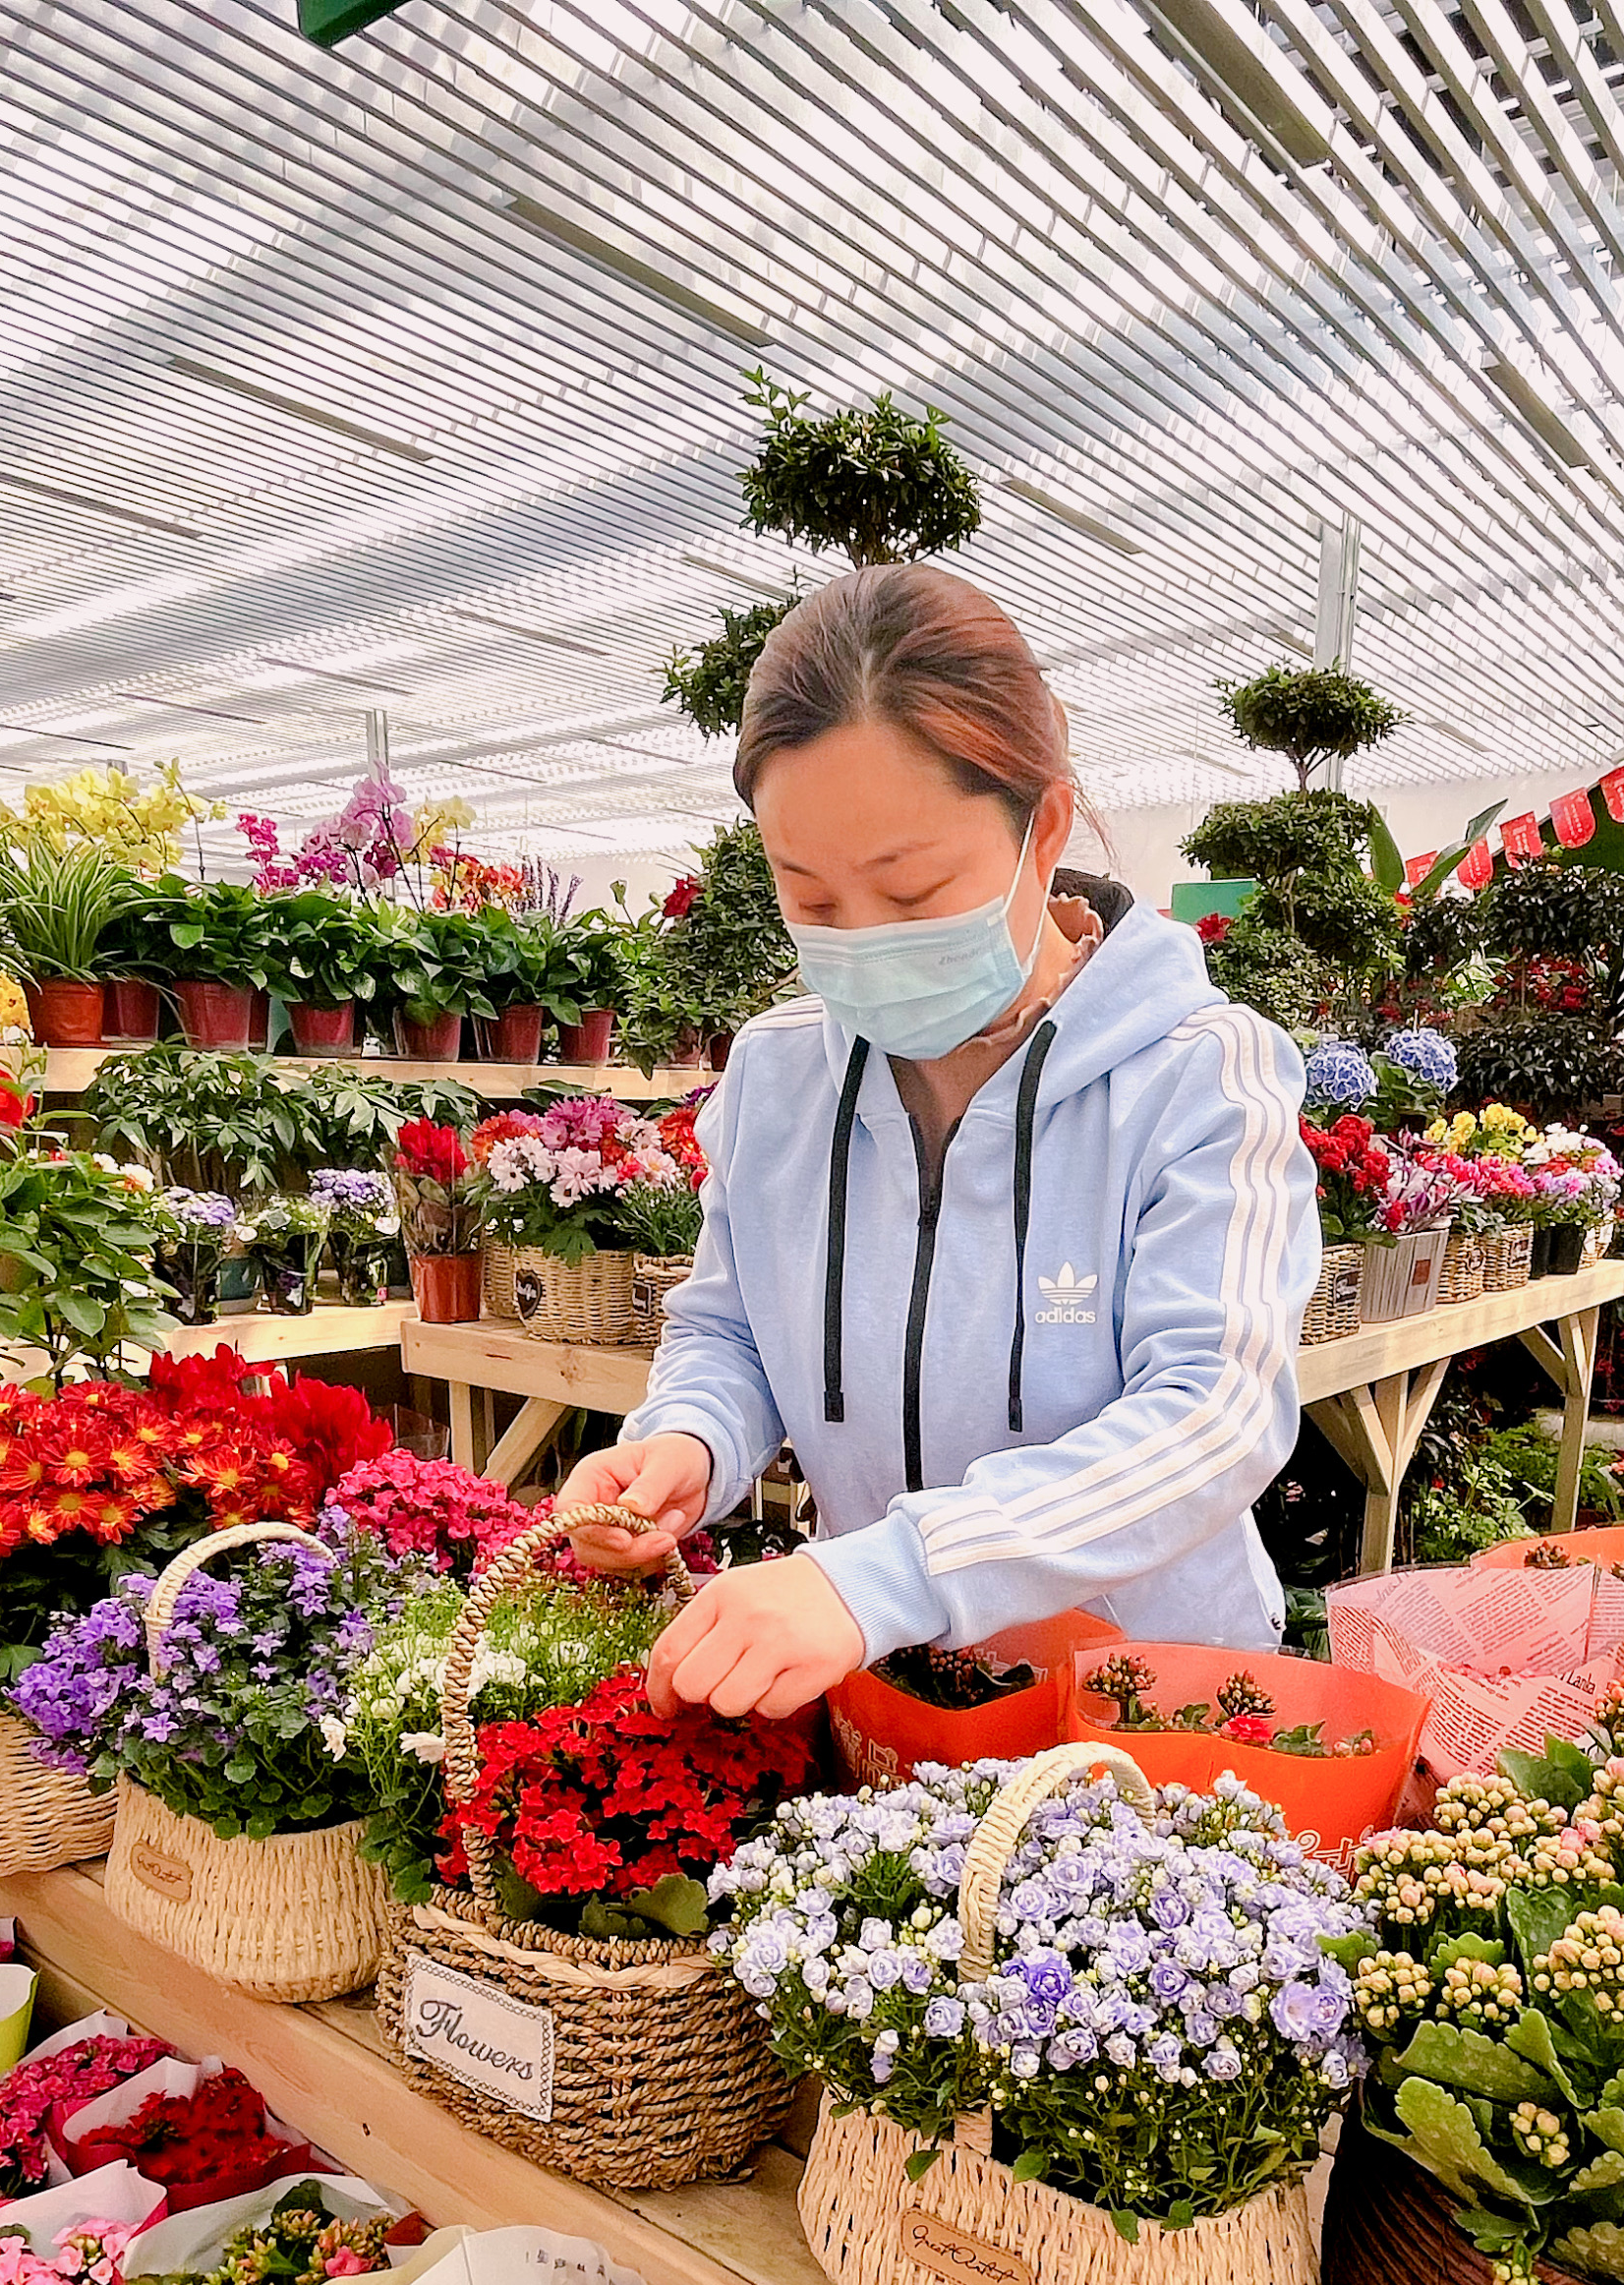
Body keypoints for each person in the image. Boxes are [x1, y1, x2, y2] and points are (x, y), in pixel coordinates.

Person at [553, 562, 1316, 1721]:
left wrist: (887, 1576)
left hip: (1146, 1699)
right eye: (808, 897)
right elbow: (731, 1332)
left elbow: (1214, 1411)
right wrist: (687, 1444)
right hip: (894, 1688)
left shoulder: (1198, 1073)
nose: (862, 939)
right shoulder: (777, 1075)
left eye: (911, 893)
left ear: (1042, 827)